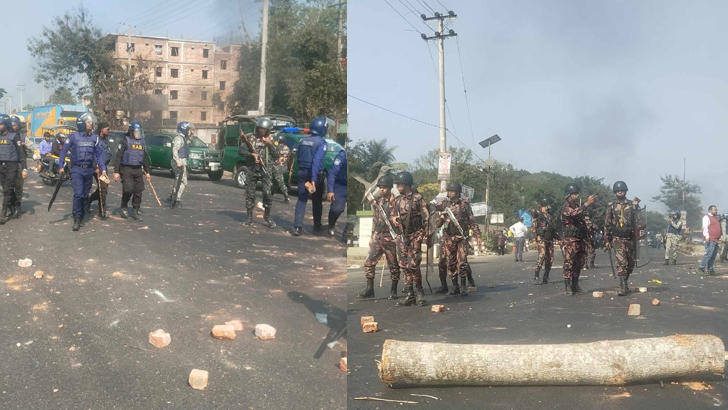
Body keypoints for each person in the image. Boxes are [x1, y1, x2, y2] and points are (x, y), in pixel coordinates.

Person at [58, 112, 108, 231]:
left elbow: (99, 155)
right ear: (82, 123)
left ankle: (82, 215)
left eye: (91, 122)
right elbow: (63, 151)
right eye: (89, 122)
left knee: (85, 195)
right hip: (76, 170)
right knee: (78, 194)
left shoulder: (94, 138)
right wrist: (61, 166)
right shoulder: (73, 137)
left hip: (89, 170)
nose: (91, 124)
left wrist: (103, 169)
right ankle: (76, 218)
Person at [390, 171, 429, 307]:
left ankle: (420, 293)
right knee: (404, 266)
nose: (398, 186)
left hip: (415, 235)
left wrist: (424, 234)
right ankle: (410, 294)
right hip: (402, 236)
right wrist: (394, 218)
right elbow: (392, 214)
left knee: (413, 265)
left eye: (400, 184)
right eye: (397, 184)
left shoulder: (417, 198)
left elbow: (426, 215)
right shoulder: (397, 200)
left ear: (407, 184)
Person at [436, 182, 482, 296]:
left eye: (452, 191)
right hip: (448, 238)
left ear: (457, 193)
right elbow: (437, 224)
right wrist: (441, 218)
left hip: (461, 237)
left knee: (462, 262)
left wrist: (477, 235)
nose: (450, 193)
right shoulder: (443, 205)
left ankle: (463, 286)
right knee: (451, 263)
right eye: (449, 191)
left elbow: (472, 221)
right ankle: (455, 286)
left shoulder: (464, 205)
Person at [359, 175, 401, 300]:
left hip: (390, 236)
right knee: (369, 263)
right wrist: (372, 236)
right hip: (378, 236)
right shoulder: (379, 202)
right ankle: (369, 288)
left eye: (384, 188)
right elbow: (375, 219)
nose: (382, 190)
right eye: (380, 188)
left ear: (389, 188)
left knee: (393, 265)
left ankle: (393, 290)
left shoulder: (397, 202)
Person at [239, 117, 279, 228]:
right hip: (253, 170)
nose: (261, 131)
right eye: (260, 128)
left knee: (267, 194)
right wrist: (251, 154)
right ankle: (249, 218)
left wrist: (270, 144)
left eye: (264, 129)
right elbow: (241, 150)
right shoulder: (250, 137)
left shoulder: (272, 138)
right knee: (250, 195)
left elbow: (276, 155)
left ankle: (267, 216)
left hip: (265, 170)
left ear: (268, 130)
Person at [292, 117, 328, 236]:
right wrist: (313, 178)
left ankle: (297, 227)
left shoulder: (302, 141)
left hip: (302, 173)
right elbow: (317, 161)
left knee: (302, 199)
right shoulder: (322, 143)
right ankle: (317, 226)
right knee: (317, 200)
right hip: (315, 175)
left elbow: (298, 158)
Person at [604, 181, 641, 296]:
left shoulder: (632, 205)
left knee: (631, 263)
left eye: (622, 190)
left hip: (630, 238)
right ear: (615, 192)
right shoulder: (612, 206)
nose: (620, 192)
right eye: (618, 190)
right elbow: (607, 224)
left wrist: (636, 207)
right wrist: (606, 239)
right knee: (621, 262)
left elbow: (639, 221)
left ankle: (625, 280)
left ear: (625, 191)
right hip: (617, 238)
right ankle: (623, 286)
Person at [561, 183, 597, 295]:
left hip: (580, 238)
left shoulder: (576, 206)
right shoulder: (566, 207)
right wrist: (587, 204)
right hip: (570, 240)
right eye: (574, 194)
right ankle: (567, 286)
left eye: (577, 193)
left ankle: (575, 285)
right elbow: (573, 214)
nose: (577, 195)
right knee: (569, 262)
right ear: (569, 195)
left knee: (579, 262)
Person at [113, 121, 150, 221]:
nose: (138, 133)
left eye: (139, 131)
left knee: (139, 191)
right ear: (131, 131)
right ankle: (124, 203)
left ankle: (135, 211)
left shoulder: (142, 142)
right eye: (136, 131)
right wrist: (116, 171)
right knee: (128, 189)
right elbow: (119, 156)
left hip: (138, 169)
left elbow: (145, 157)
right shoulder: (125, 140)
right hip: (127, 169)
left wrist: (147, 171)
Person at [0, 115, 27, 224]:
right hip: (1, 166)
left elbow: (21, 154)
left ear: (6, 125)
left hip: (12, 166)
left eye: (1, 124)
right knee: (6, 188)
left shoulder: (15, 136)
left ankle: (3, 214)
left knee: (8, 190)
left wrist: (24, 169)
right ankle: (16, 207)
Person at [87, 122, 112, 218]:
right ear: (102, 130)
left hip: (104, 167)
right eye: (107, 129)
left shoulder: (105, 140)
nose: (108, 131)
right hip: (97, 168)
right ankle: (102, 210)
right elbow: (91, 153)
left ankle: (90, 200)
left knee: (103, 189)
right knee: (103, 189)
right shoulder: (94, 138)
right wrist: (95, 167)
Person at [532, 198, 557, 285]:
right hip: (542, 238)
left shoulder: (550, 216)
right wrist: (535, 237)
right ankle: (536, 276)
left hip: (549, 239)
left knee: (550, 258)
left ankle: (546, 277)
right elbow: (534, 227)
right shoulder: (538, 215)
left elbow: (553, 228)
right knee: (541, 256)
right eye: (547, 205)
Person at [10, 116, 31, 216]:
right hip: (8, 166)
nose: (12, 127)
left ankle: (17, 206)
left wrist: (24, 168)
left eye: (14, 125)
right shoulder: (5, 136)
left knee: (18, 187)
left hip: (19, 164)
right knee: (8, 188)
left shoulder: (23, 136)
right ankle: (11, 205)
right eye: (11, 125)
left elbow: (30, 146)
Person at [326, 149, 346, 238]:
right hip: (341, 185)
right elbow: (332, 172)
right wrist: (330, 190)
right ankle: (331, 224)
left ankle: (346, 235)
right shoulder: (343, 155)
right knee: (337, 209)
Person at [699, 205, 721, 275]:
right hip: (710, 239)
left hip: (715, 240)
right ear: (710, 210)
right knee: (708, 254)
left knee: (713, 256)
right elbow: (705, 227)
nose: (716, 211)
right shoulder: (706, 217)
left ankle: (710, 269)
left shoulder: (715, 218)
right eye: (715, 210)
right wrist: (707, 237)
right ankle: (701, 268)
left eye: (716, 210)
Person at [271, 134, 291, 204]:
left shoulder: (276, 148)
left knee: (280, 183)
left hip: (277, 167)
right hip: (284, 167)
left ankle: (287, 197)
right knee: (276, 182)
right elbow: (288, 158)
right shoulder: (287, 148)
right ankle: (270, 195)